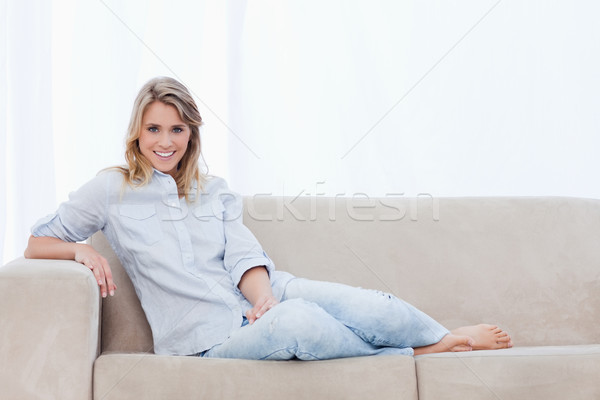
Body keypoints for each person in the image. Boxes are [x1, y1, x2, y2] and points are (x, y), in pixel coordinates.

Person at [24, 77, 512, 360]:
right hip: (203, 339)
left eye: (177, 129)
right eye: (154, 129)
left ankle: (440, 334)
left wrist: (262, 300)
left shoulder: (212, 189)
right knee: (301, 324)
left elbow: (242, 253)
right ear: (136, 133)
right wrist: (79, 248)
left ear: (191, 134)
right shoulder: (111, 188)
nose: (165, 141)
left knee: (373, 307)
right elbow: (37, 242)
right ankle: (421, 352)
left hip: (260, 295)